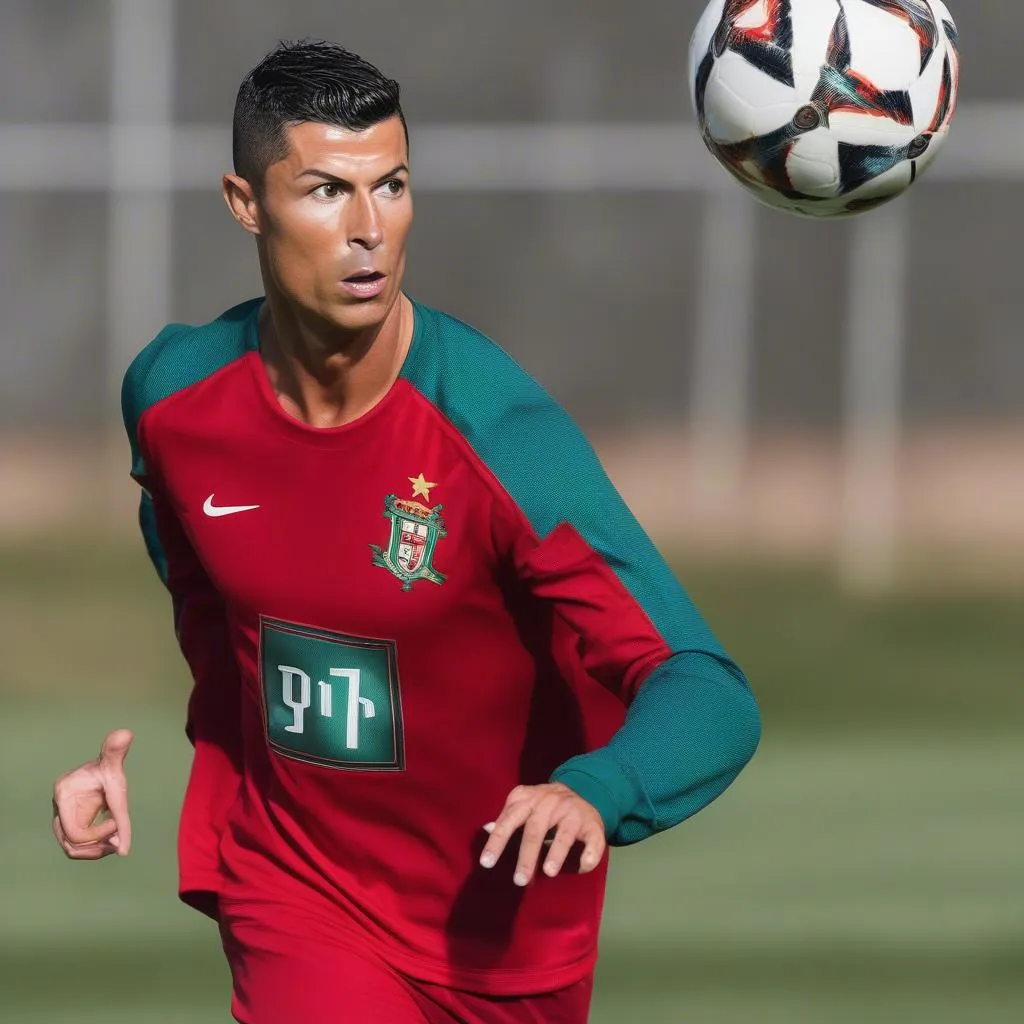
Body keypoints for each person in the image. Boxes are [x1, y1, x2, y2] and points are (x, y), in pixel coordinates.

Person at [50, 40, 761, 1024]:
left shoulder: (502, 438)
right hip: (294, 888)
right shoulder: (172, 397)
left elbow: (705, 686)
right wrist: (205, 745)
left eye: (391, 185)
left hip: (502, 939)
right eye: (325, 191)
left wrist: (598, 788)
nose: (368, 230)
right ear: (244, 201)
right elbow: (201, 586)